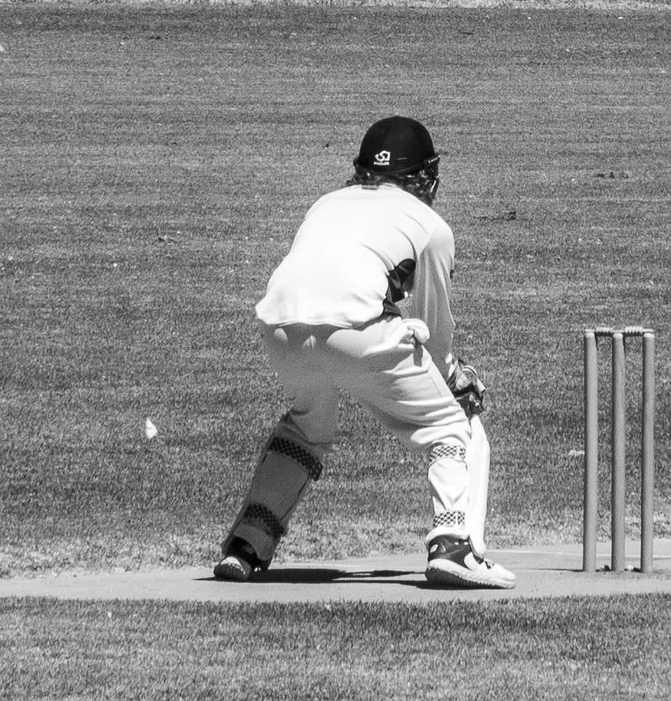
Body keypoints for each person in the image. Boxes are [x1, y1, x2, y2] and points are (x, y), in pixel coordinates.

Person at [215, 116, 512, 590]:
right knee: (448, 425)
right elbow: (435, 327)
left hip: (279, 327)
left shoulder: (326, 202)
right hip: (356, 326)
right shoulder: (431, 227)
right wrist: (451, 376)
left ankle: (247, 544)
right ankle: (453, 545)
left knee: (307, 428)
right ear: (425, 176)